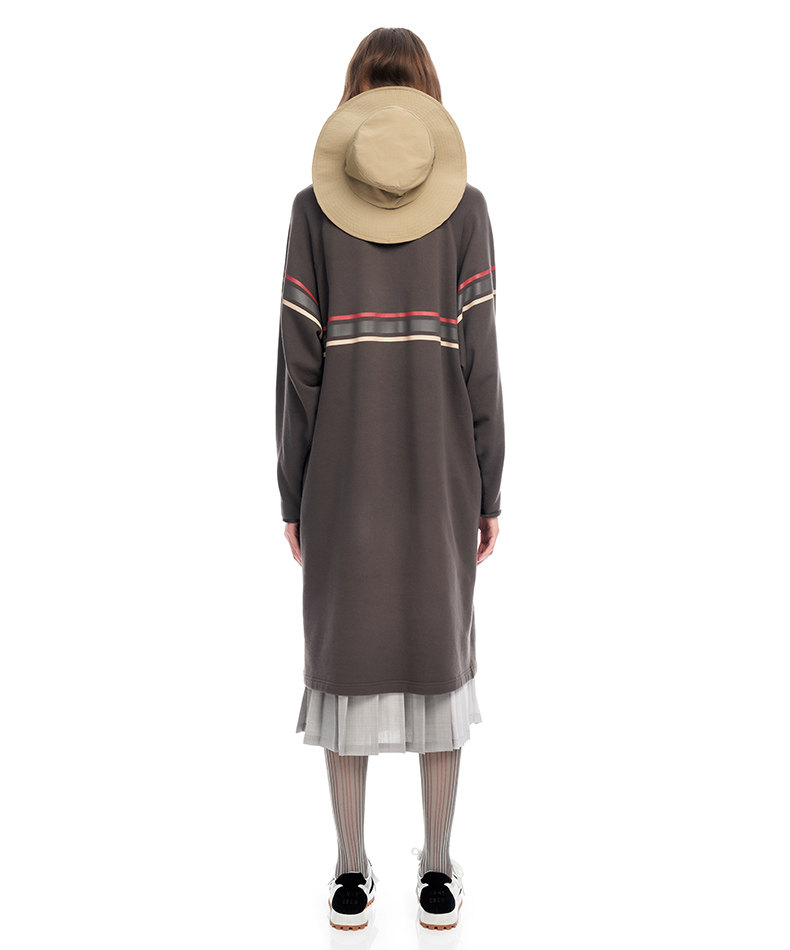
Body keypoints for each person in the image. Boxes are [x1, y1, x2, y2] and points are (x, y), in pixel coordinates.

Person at [275, 27, 505, 931]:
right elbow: (482, 365)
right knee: (437, 661)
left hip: (339, 480)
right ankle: (438, 875)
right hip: (442, 478)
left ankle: (347, 875)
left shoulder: (312, 212)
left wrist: (292, 491)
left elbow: (298, 371)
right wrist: (490, 488)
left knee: (345, 666)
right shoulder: (467, 211)